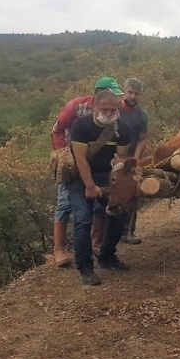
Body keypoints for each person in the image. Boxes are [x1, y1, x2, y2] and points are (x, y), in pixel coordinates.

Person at [50, 77, 124, 267]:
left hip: (102, 167)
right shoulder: (76, 109)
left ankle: (99, 248)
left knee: (107, 210)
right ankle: (62, 252)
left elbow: (121, 155)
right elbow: (58, 130)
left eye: (113, 106)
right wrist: (63, 156)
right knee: (70, 208)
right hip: (74, 165)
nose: (109, 111)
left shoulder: (117, 120)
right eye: (105, 107)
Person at [67, 89, 132, 286]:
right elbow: (80, 159)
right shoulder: (81, 125)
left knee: (119, 212)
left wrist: (120, 185)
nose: (109, 113)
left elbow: (121, 159)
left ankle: (107, 256)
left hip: (107, 174)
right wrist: (90, 186)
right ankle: (85, 267)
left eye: (113, 110)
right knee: (83, 219)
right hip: (80, 176)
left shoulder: (123, 127)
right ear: (94, 107)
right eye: (104, 109)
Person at [118, 78, 149, 245]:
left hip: (132, 156)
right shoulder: (114, 110)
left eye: (136, 93)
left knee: (133, 193)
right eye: (130, 92)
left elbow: (142, 139)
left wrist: (136, 159)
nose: (133, 96)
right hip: (113, 156)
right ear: (124, 91)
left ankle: (129, 232)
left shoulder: (142, 115)